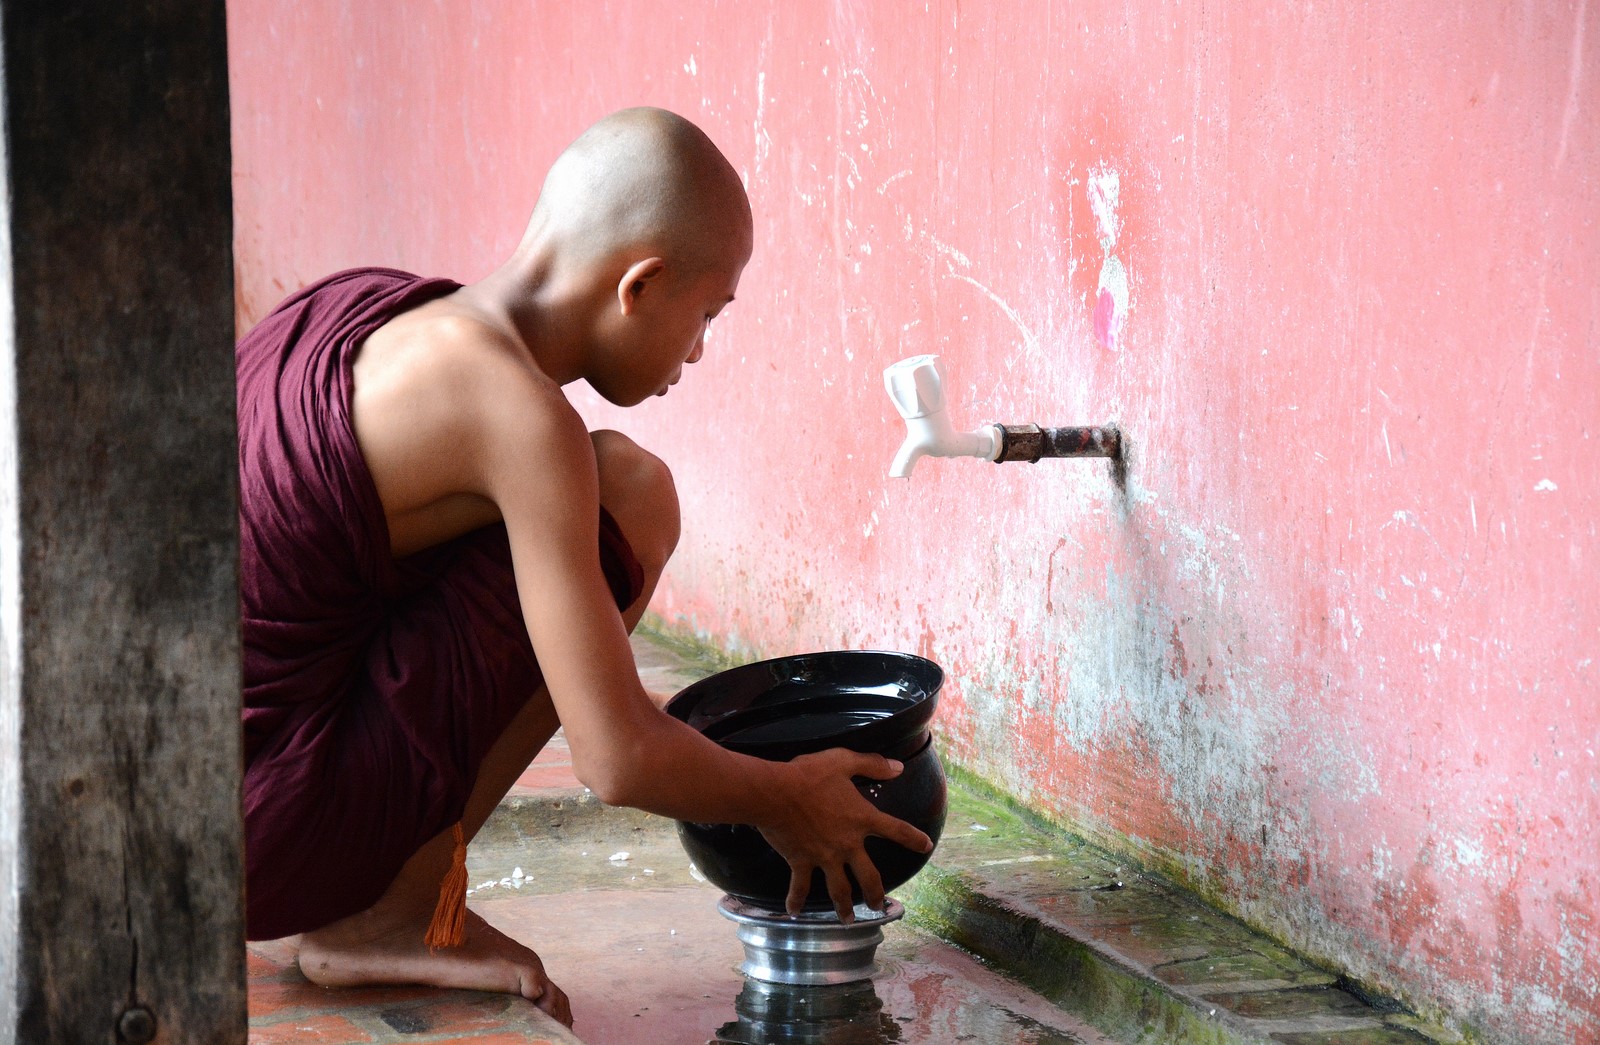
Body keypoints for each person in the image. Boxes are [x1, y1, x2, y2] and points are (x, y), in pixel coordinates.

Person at [236, 107, 932, 1028]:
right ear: (639, 285)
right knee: (631, 496)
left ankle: (386, 896)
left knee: (595, 496)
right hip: (252, 835)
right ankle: (393, 912)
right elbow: (617, 757)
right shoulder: (519, 417)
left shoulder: (375, 305)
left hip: (162, 779)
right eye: (707, 314)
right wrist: (783, 797)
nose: (698, 349)